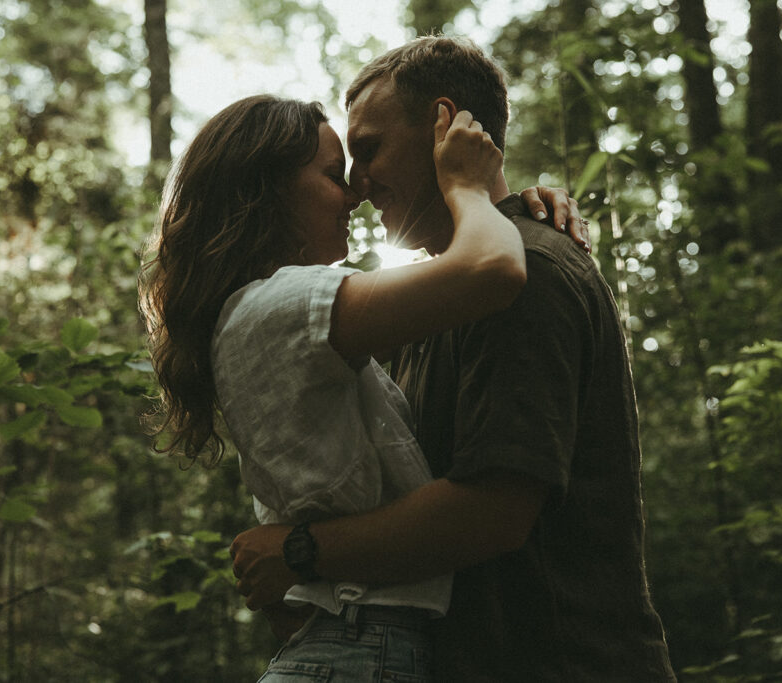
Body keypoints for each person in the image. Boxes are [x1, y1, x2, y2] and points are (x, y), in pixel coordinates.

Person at [230, 36, 677, 681]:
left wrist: (301, 551)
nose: (357, 184)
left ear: (445, 128)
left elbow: (492, 513)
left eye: (369, 149)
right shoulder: (442, 300)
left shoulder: (527, 277)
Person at [140, 94, 579, 680]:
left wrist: (516, 207)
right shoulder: (283, 305)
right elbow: (488, 271)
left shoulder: (265, 317)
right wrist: (472, 192)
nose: (353, 194)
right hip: (358, 652)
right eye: (330, 175)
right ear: (265, 192)